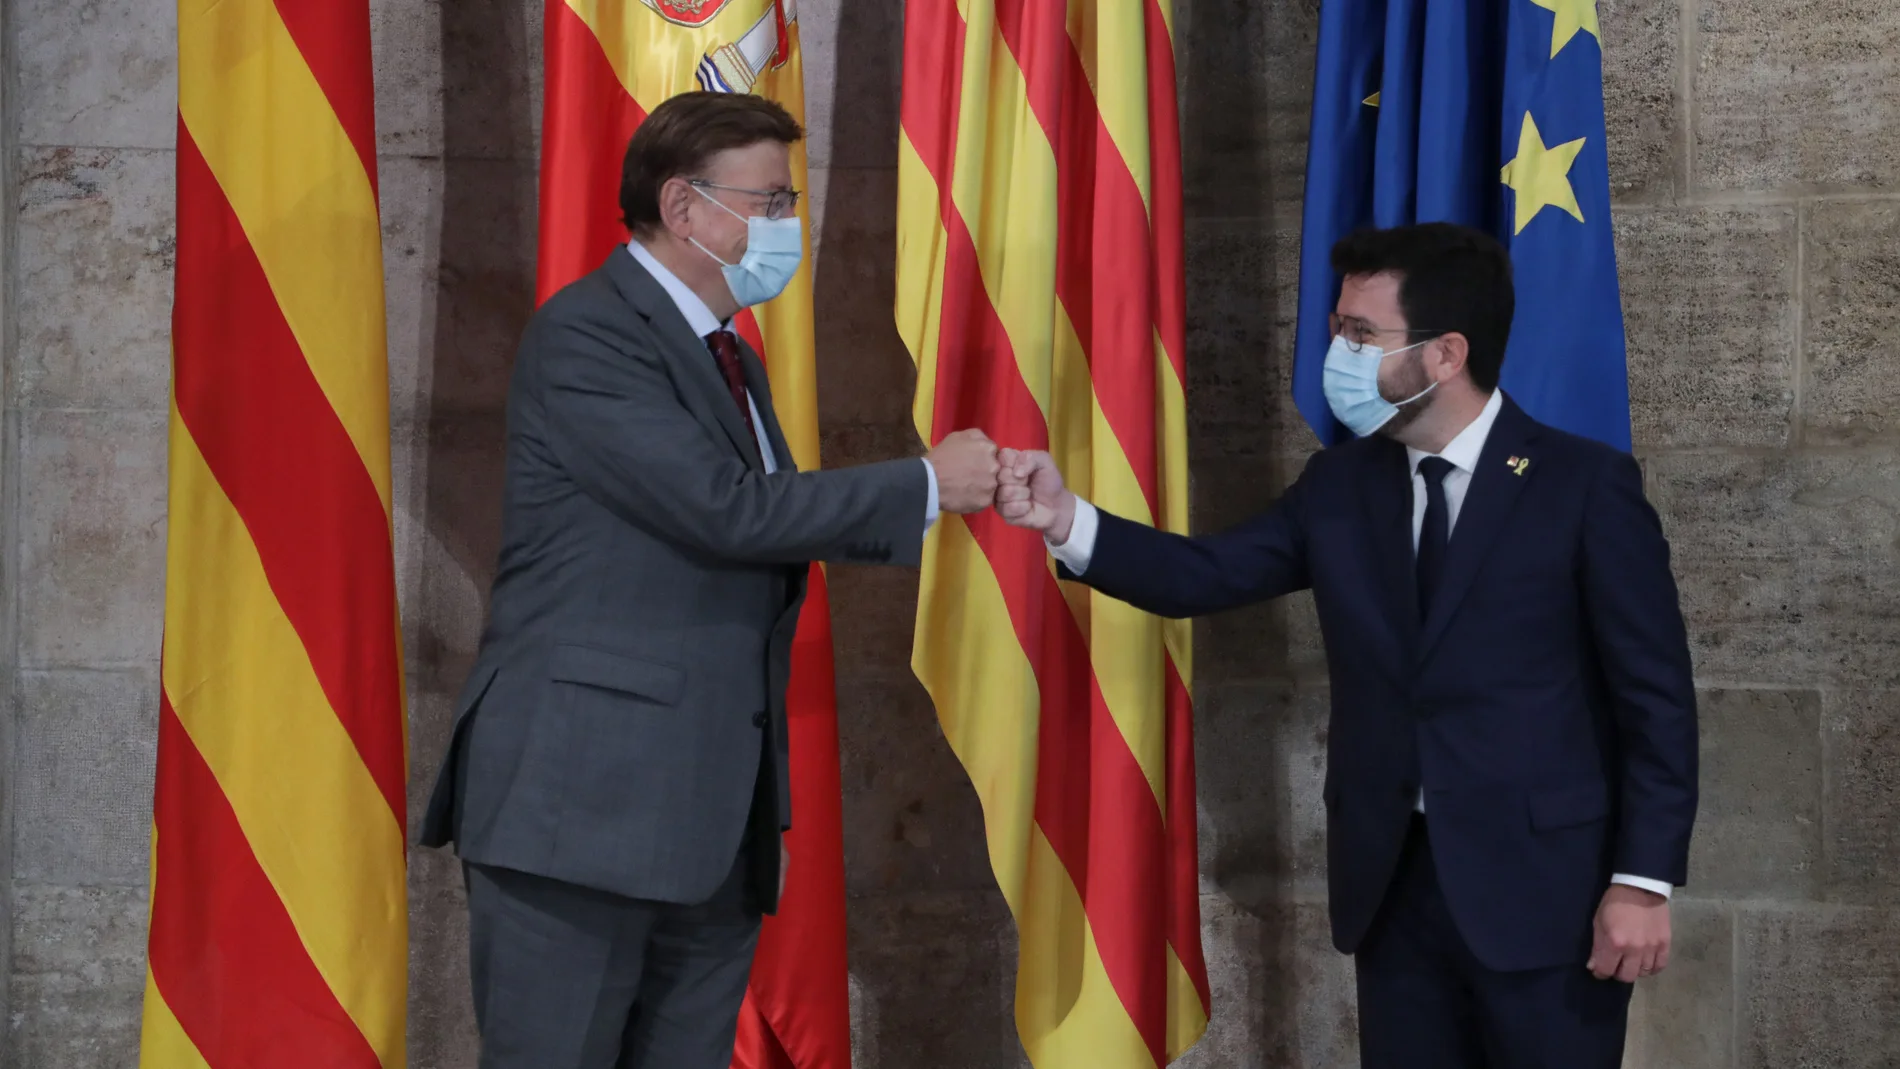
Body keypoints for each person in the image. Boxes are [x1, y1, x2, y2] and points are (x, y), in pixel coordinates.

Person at [994, 223, 1697, 1068]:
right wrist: (1064, 520)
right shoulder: (1339, 483)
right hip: (1392, 889)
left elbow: (1655, 700)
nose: (1339, 350)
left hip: (1551, 895)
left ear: (1445, 354)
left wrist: (1642, 880)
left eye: (1362, 334)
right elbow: (1204, 574)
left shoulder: (1585, 485)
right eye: (1338, 328)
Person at [418, 91, 1000, 1069]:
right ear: (684, 209)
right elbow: (724, 510)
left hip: (704, 817)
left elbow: (750, 522)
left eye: (789, 202)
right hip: (581, 810)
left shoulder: (723, 353)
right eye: (768, 202)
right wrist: (923, 483)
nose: (788, 224)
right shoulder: (591, 336)